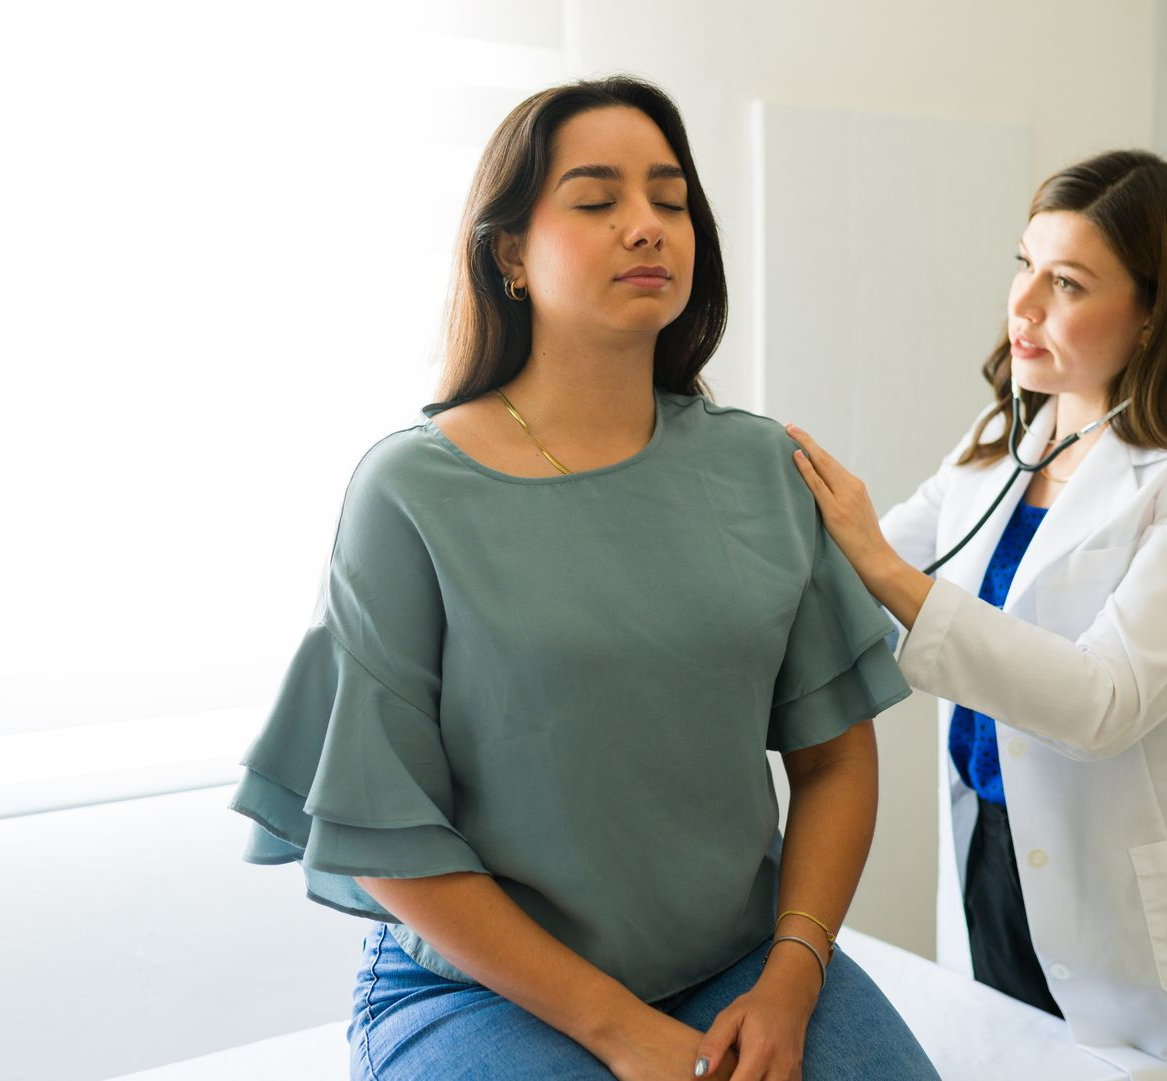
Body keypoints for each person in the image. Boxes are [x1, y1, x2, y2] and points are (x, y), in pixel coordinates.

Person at [230, 76, 940, 1081]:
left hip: (738, 962)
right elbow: (380, 829)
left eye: (672, 198)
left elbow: (832, 761)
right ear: (510, 249)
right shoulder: (410, 492)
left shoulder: (759, 469)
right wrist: (617, 1028)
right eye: (598, 200)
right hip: (482, 989)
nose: (648, 227)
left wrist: (791, 974)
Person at [785, 150, 1167, 1080]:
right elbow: (844, 585)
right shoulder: (998, 442)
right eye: (1023, 265)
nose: (1021, 305)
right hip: (995, 855)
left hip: (1162, 921)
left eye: (1066, 282)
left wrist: (878, 565)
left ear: (1153, 309)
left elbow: (1104, 700)